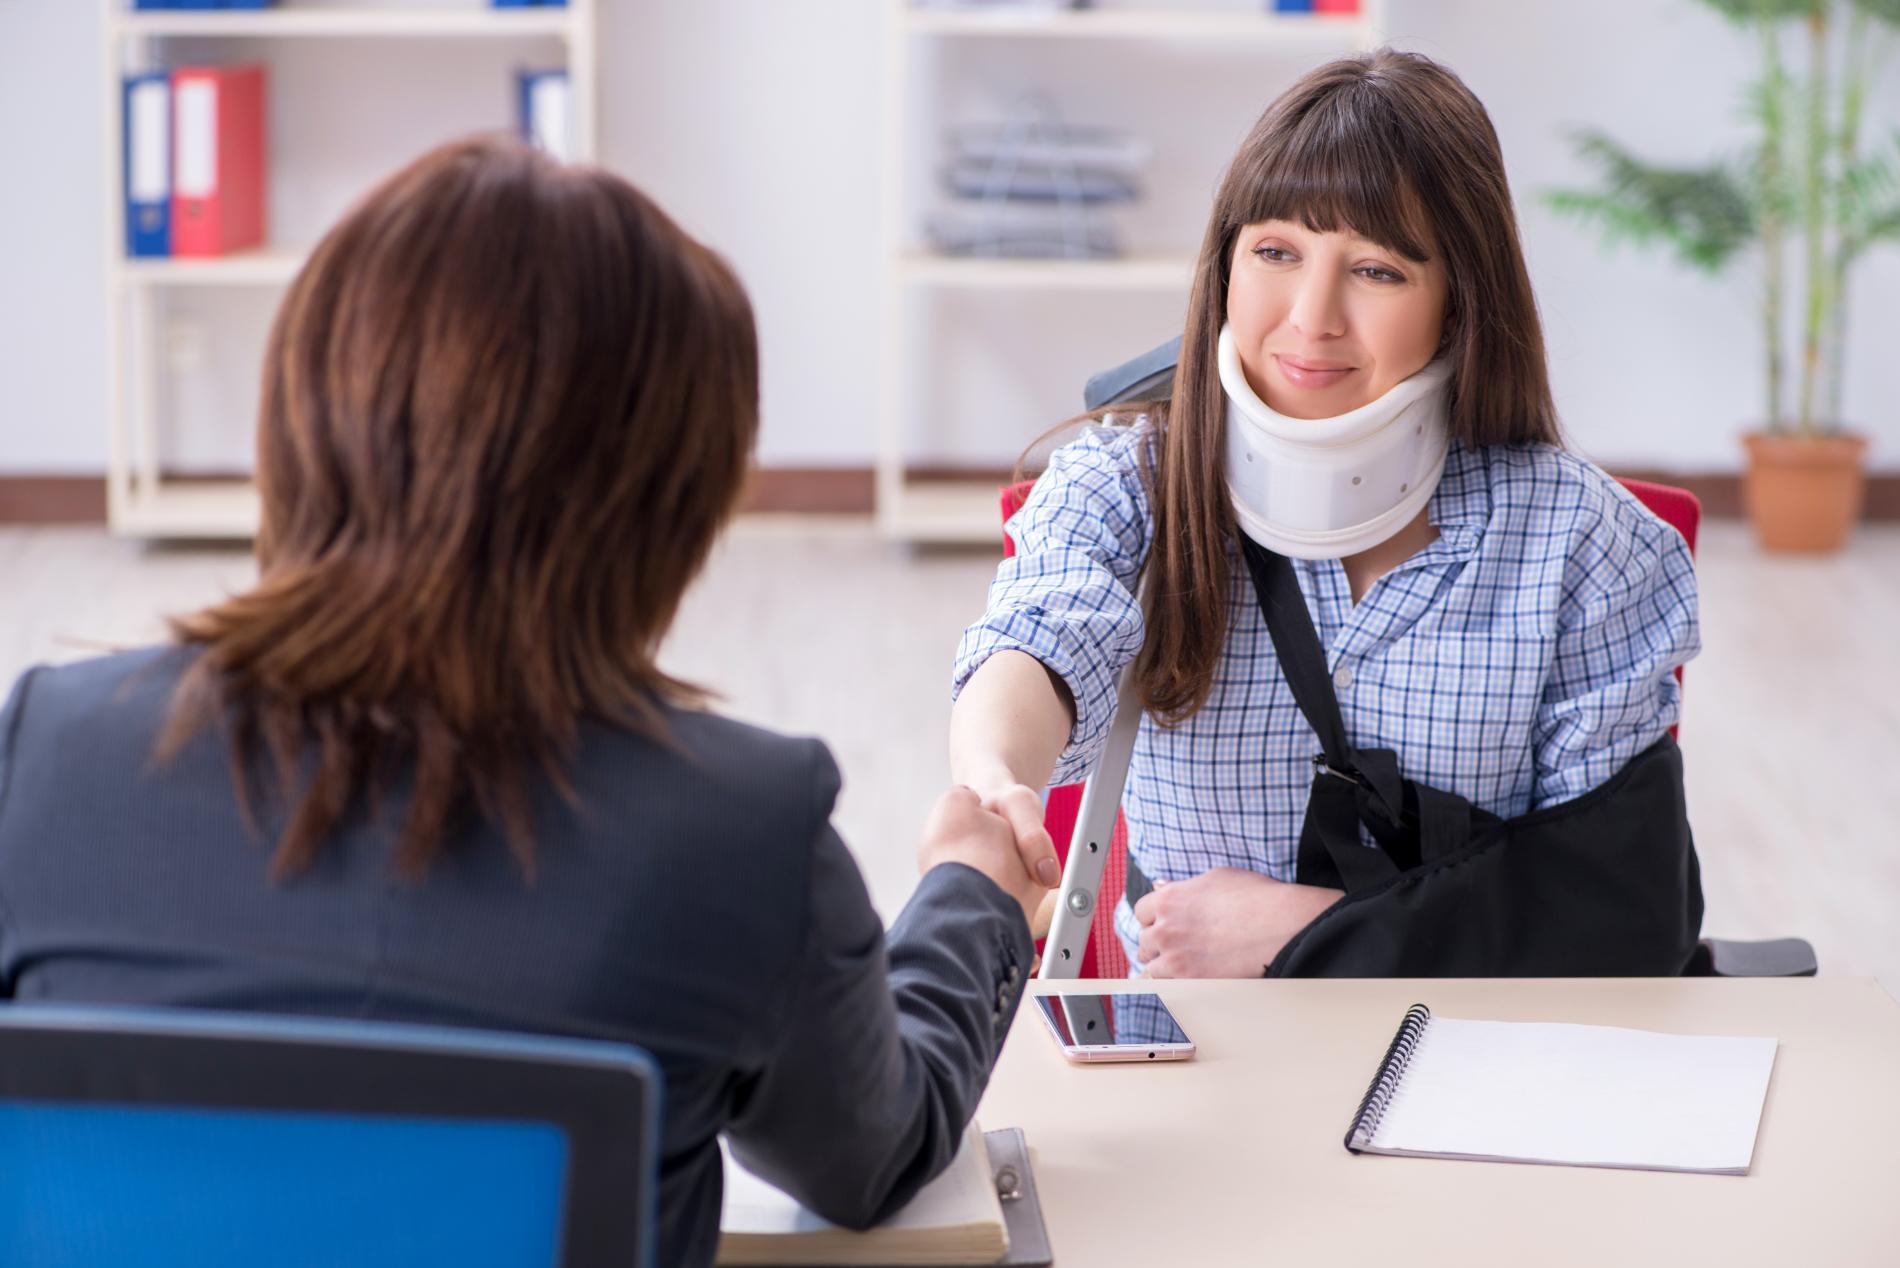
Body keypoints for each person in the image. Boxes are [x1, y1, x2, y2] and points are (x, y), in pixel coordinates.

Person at [0, 137, 1058, 1268]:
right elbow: (869, 1156)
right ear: (669, 505)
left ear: (300, 419)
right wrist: (972, 892)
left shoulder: (50, 753)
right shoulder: (736, 833)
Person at [950, 50, 1700, 978]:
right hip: (1200, 1060)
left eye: (1378, 270)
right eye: (1275, 252)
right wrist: (993, 779)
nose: (1311, 318)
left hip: (1488, 1068)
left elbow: (1622, 914)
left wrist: (1318, 931)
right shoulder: (1132, 481)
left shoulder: (1585, 544)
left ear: (1460, 301)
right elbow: (1037, 641)